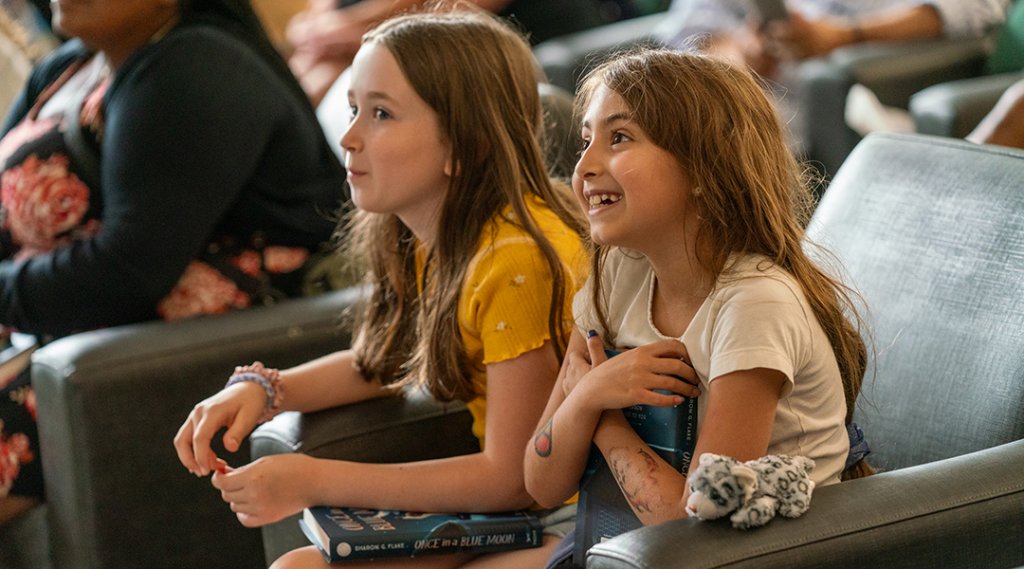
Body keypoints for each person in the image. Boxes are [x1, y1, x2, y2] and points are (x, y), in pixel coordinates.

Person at [174, 9, 588, 569]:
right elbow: (386, 361)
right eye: (352, 108)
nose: (348, 137)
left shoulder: (518, 263)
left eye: (381, 114)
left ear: (465, 146)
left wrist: (313, 479)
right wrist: (265, 390)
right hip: (519, 514)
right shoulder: (427, 230)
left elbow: (514, 479)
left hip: (578, 514)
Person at [0, 0, 345, 524]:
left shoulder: (197, 68)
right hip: (64, 326)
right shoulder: (70, 65)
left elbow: (125, 272)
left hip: (165, 349)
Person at [523, 48, 873, 565]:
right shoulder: (618, 272)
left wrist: (604, 419)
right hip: (636, 548)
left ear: (705, 168)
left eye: (619, 138)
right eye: (586, 140)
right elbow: (540, 483)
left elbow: (696, 531)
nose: (584, 166)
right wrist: (589, 394)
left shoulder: (754, 303)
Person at [657, 0, 1009, 155]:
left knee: (712, 135)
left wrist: (842, 35)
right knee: (663, 126)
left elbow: (975, 8)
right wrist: (741, 58)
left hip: (858, 86)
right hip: (753, 84)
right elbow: (692, 26)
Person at [286, 0, 612, 105]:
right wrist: (317, 29)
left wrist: (358, 30)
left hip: (509, 35)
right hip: (397, 30)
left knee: (327, 79)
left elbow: (460, 7)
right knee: (306, 72)